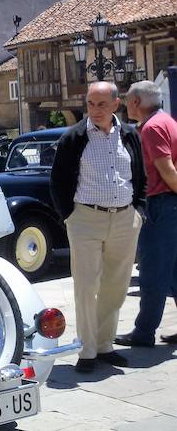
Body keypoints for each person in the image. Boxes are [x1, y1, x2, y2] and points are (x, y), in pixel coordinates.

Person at [50, 81, 145, 373]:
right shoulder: (74, 137)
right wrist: (70, 216)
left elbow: (140, 175)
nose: (95, 110)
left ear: (117, 104)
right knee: (86, 286)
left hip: (124, 219)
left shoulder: (129, 134)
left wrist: (139, 211)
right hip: (85, 220)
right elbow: (58, 181)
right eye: (91, 104)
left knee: (116, 287)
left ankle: (105, 345)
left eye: (102, 104)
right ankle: (88, 350)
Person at [116, 81, 177, 347]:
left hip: (161, 204)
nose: (125, 104)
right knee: (174, 272)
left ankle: (144, 332)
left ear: (137, 102)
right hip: (170, 205)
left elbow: (167, 170)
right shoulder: (168, 121)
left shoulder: (151, 128)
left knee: (152, 271)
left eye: (127, 99)